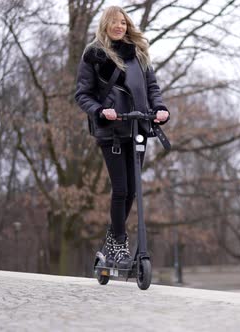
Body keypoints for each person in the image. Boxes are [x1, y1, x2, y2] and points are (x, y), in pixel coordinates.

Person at [75, 6, 170, 268]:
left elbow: (153, 88)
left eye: (124, 23)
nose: (120, 27)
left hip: (138, 127)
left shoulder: (139, 54)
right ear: (105, 25)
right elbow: (82, 94)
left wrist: (160, 109)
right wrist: (100, 111)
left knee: (133, 191)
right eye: (115, 23)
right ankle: (118, 244)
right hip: (112, 132)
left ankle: (113, 238)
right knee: (121, 189)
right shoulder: (94, 55)